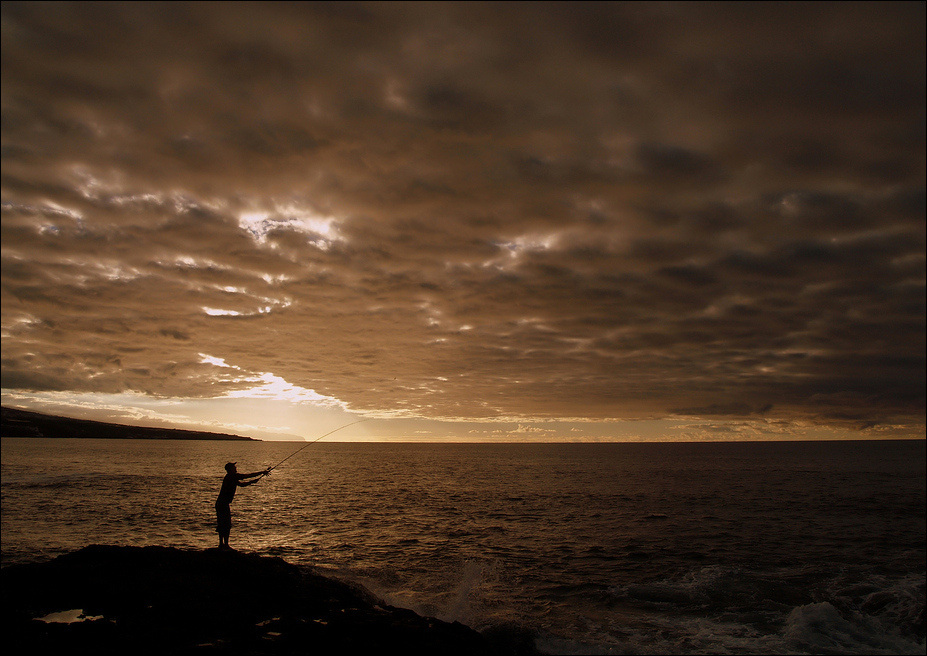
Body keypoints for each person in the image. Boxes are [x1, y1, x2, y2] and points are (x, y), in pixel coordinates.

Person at [215, 462, 269, 549]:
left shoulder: (231, 477)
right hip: (223, 503)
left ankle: (222, 544)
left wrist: (251, 482)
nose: (236, 468)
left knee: (222, 524)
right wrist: (262, 472)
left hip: (221, 503)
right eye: (234, 467)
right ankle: (224, 545)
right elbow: (247, 475)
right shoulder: (232, 476)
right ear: (230, 469)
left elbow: (241, 484)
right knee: (226, 524)